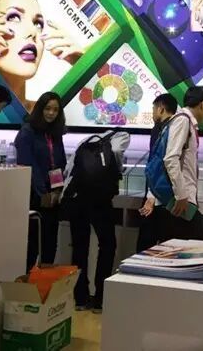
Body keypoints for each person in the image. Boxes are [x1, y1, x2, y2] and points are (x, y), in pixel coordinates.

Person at [0, 0, 84, 111]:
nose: (33, 32)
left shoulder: (49, 114)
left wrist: (87, 67)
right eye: (14, 17)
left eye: (38, 24)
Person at [63, 129, 129, 313]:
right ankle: (100, 298)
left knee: (79, 247)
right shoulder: (122, 136)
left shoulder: (85, 141)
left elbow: (69, 169)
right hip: (100, 200)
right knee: (107, 245)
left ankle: (80, 298)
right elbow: (116, 152)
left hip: (77, 199)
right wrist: (117, 170)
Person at [142, 86, 203, 243]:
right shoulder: (182, 120)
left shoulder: (180, 121)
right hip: (179, 200)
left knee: (175, 248)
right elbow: (170, 158)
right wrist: (181, 195)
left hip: (177, 199)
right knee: (199, 248)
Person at [15, 92, 67, 270]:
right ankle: (26, 281)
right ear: (40, 109)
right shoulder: (27, 132)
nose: (51, 113)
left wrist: (57, 189)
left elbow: (58, 163)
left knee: (50, 243)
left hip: (52, 196)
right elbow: (28, 164)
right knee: (32, 244)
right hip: (33, 196)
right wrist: (42, 192)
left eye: (55, 110)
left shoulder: (55, 133)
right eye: (47, 108)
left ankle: (45, 282)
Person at [137, 93, 178, 252]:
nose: (153, 113)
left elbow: (157, 162)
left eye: (154, 109)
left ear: (161, 109)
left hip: (157, 195)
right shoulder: (175, 128)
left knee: (146, 246)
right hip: (169, 197)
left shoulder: (161, 129)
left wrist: (151, 196)